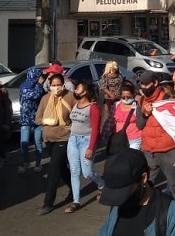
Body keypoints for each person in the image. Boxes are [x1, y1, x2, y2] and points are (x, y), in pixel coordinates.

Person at [98, 148, 175, 235]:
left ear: (143, 178)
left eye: (123, 192)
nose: (119, 199)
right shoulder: (116, 205)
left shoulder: (171, 212)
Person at [135, 71, 175, 218]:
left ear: (155, 83)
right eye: (142, 84)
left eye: (147, 84)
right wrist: (145, 114)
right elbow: (139, 125)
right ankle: (147, 209)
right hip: (148, 150)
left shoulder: (168, 100)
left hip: (167, 150)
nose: (144, 87)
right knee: (147, 183)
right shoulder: (141, 101)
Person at [36, 73, 76, 215]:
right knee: (60, 167)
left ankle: (48, 203)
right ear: (49, 86)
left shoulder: (70, 96)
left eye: (58, 84)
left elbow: (77, 115)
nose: (56, 87)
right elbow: (38, 119)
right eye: (53, 85)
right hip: (48, 138)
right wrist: (47, 121)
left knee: (53, 169)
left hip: (64, 137)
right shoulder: (46, 98)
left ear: (63, 84)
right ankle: (74, 190)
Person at [66, 79, 105, 213]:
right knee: (74, 171)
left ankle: (101, 183)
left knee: (87, 173)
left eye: (78, 88)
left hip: (86, 141)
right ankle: (76, 201)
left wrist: (90, 147)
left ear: (85, 92)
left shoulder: (93, 108)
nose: (75, 90)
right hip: (73, 139)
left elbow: (95, 129)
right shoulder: (75, 105)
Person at [18, 67, 45, 174]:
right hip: (26, 118)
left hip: (38, 118)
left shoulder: (41, 87)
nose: (41, 78)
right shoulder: (24, 86)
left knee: (38, 142)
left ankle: (38, 164)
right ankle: (25, 162)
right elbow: (34, 95)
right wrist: (39, 85)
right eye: (39, 76)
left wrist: (40, 85)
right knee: (24, 143)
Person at [113, 81, 143, 149]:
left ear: (133, 95)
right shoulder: (116, 105)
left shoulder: (138, 105)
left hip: (135, 138)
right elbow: (110, 121)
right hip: (120, 139)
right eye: (123, 97)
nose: (126, 99)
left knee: (131, 158)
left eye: (128, 97)